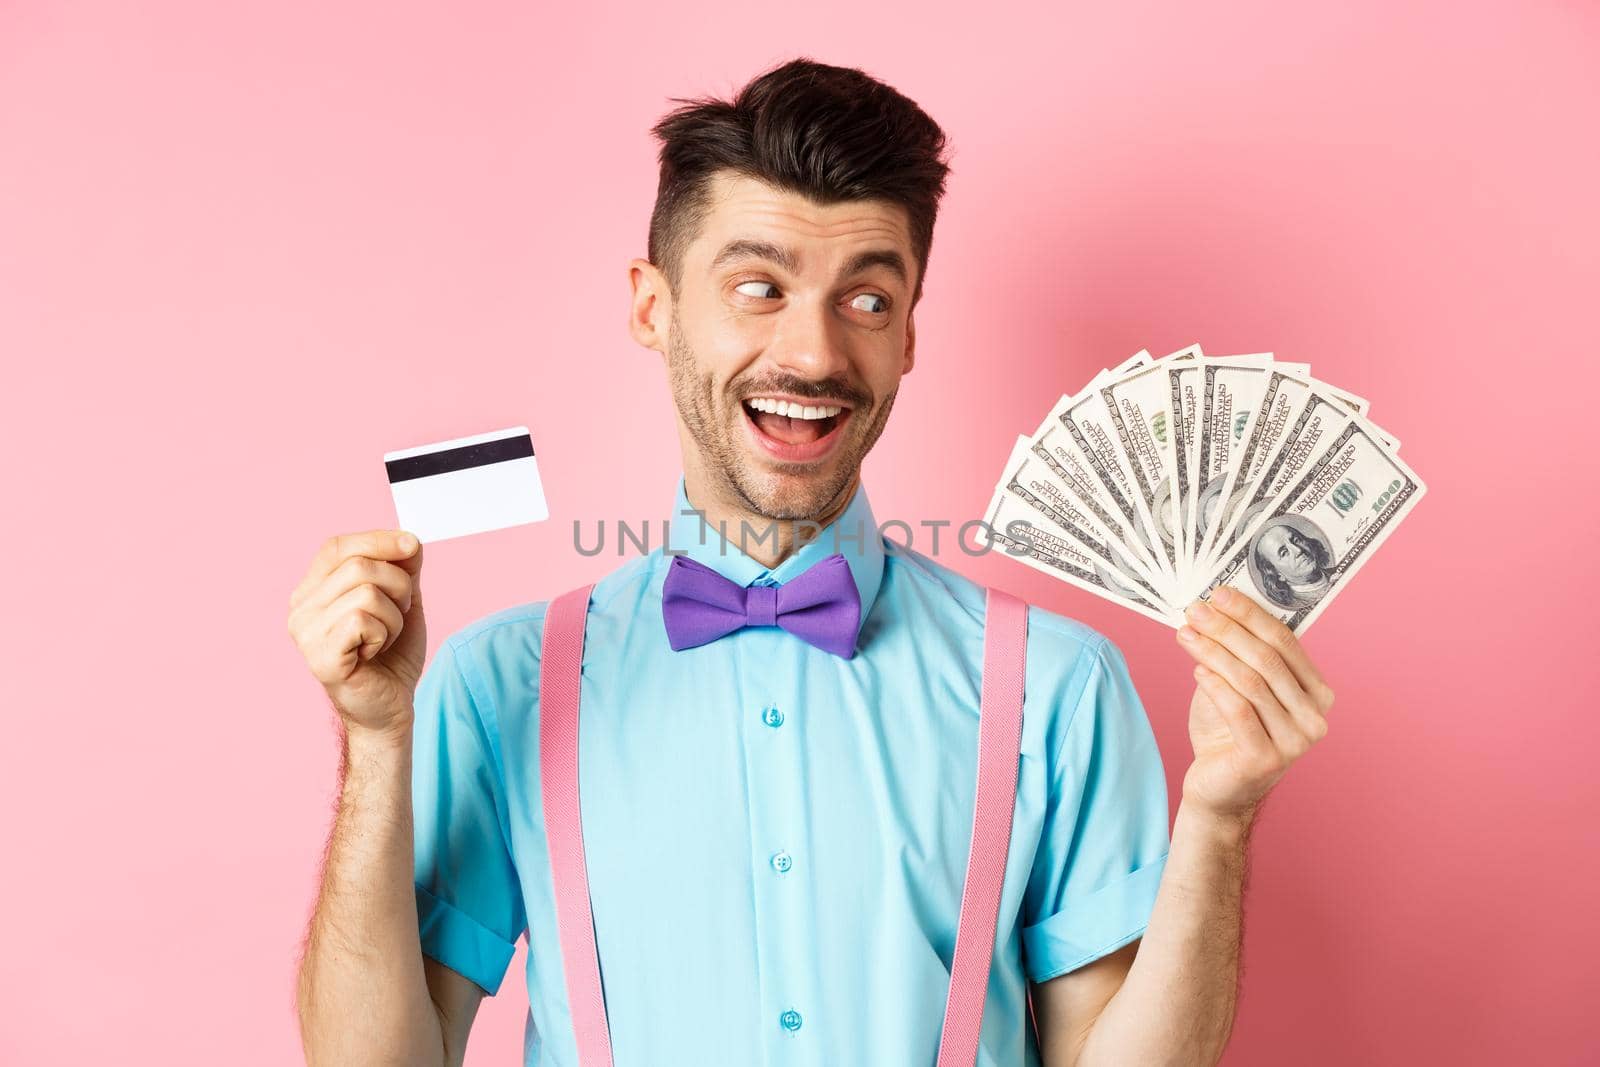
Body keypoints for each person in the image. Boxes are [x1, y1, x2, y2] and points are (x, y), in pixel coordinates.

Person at [287, 57, 1337, 1067]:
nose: (815, 354)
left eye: (866, 300)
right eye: (758, 287)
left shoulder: (1059, 684)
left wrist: (1220, 815)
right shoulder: (498, 682)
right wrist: (376, 743)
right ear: (653, 307)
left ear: (911, 333)